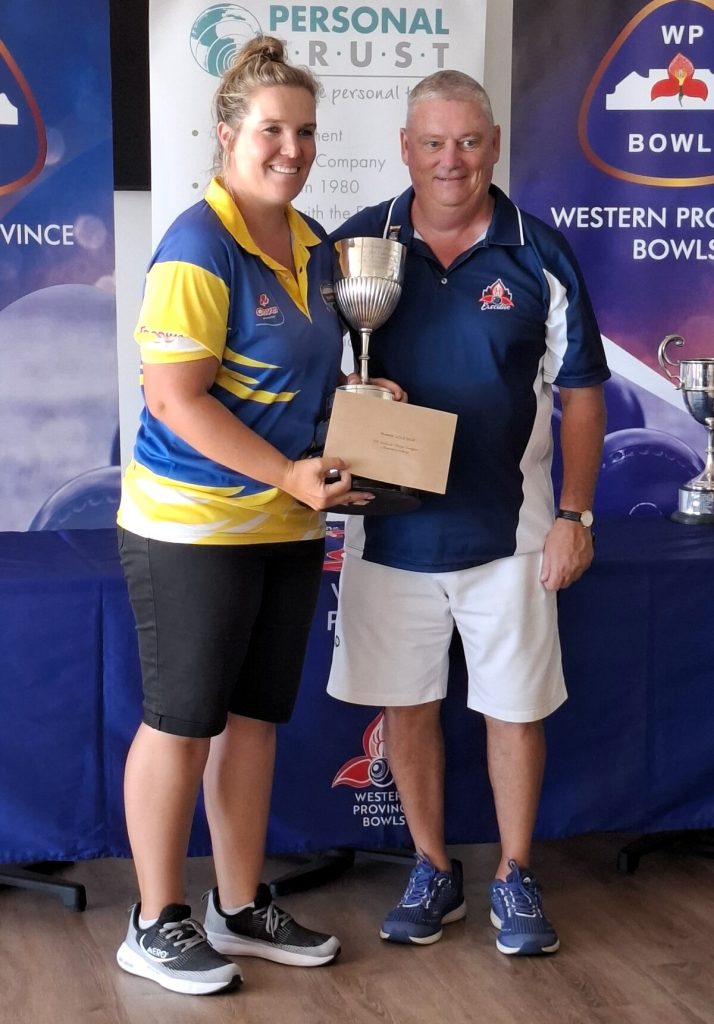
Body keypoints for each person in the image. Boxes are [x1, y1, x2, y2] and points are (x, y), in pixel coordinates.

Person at [115, 36, 398, 997]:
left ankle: (238, 907)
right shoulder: (199, 246)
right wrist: (287, 469)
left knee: (252, 724)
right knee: (181, 723)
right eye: (272, 129)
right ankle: (154, 921)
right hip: (192, 527)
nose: (292, 147)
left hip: (284, 522)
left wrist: (366, 407)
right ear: (228, 133)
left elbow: (307, 387)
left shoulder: (316, 245)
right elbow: (173, 401)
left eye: (306, 131)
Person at [327, 70, 609, 954]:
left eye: (470, 141)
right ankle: (430, 865)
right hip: (388, 529)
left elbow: (583, 393)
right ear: (406, 149)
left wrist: (576, 515)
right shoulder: (352, 248)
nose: (453, 160)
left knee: (512, 708)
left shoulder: (540, 253)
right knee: (407, 707)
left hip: (511, 531)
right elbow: (310, 378)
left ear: (494, 144)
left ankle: (515, 875)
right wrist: (351, 392)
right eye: (434, 143)